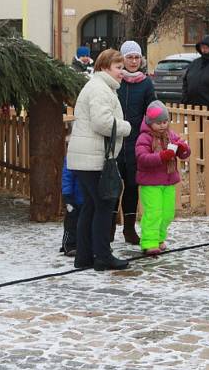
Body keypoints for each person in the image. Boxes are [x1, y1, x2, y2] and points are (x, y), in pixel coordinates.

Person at [66, 48, 132, 271]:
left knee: (91, 205)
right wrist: (126, 127)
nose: (122, 72)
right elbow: (102, 123)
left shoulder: (99, 86)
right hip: (92, 158)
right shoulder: (100, 89)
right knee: (104, 204)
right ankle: (103, 256)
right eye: (118, 68)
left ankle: (84, 257)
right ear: (105, 67)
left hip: (86, 157)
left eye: (122, 68)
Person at [134, 100, 190, 255]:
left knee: (167, 213)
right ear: (150, 123)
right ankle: (149, 242)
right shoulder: (144, 138)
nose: (163, 125)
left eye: (165, 122)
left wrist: (183, 149)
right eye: (158, 123)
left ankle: (159, 238)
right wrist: (162, 156)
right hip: (151, 183)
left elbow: (184, 154)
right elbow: (143, 158)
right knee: (153, 212)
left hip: (168, 181)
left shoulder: (170, 136)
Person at [115, 40, 155, 245]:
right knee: (112, 185)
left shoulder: (146, 83)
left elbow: (151, 111)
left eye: (136, 57)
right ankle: (108, 226)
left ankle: (129, 229)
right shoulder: (115, 80)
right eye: (129, 57)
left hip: (136, 143)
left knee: (132, 186)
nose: (133, 61)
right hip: (114, 140)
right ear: (122, 58)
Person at [60, 156, 84, 257]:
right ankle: (69, 245)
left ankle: (85, 244)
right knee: (71, 222)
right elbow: (67, 176)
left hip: (87, 197)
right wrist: (67, 195)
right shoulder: (72, 156)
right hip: (74, 197)